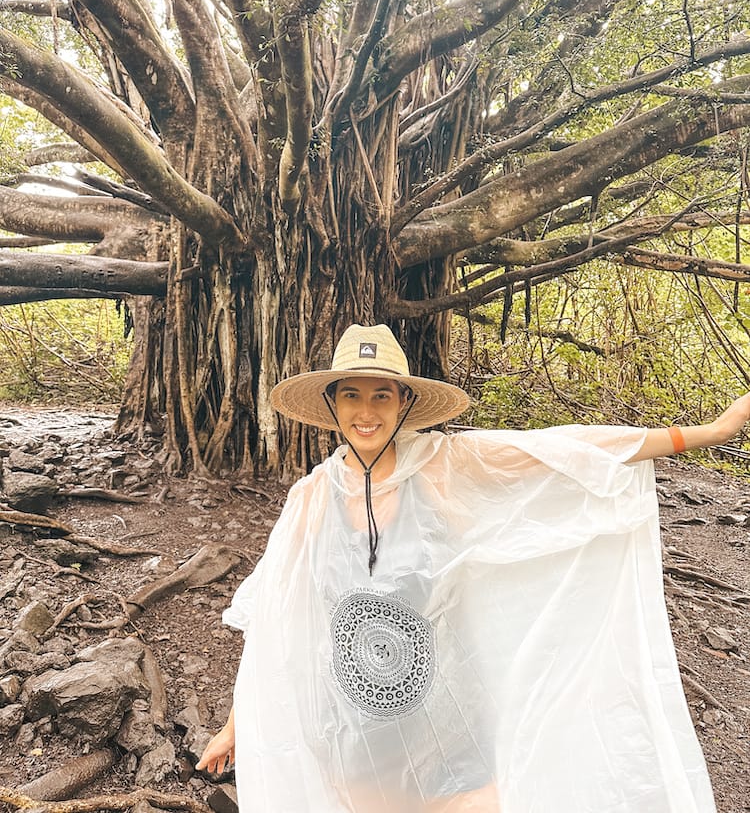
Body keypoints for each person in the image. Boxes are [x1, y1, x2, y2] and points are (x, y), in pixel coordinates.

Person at [196, 323, 750, 813]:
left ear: (404, 403)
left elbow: (562, 453)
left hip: (444, 719)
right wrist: (235, 726)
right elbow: (275, 623)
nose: (367, 412)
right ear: (334, 403)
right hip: (349, 730)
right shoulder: (311, 500)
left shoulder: (441, 467)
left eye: (382, 395)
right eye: (352, 395)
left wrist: (707, 434)